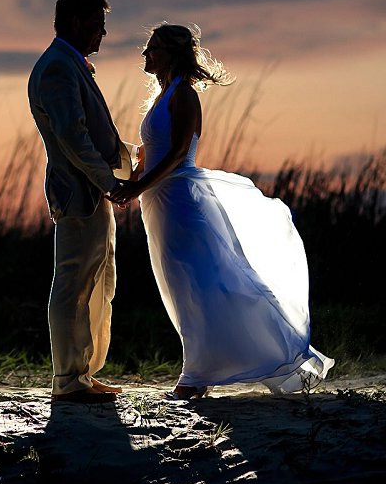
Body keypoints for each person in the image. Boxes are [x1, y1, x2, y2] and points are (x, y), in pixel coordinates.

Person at [109, 23, 334, 399]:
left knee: (197, 284)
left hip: (179, 200)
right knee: (178, 285)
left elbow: (179, 153)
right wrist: (129, 182)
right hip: (158, 204)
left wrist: (138, 186)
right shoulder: (160, 97)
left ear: (171, 53)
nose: (145, 55)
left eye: (152, 48)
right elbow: (149, 153)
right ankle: (203, 370)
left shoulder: (183, 96)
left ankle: (196, 376)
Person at [28, 0, 133, 403]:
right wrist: (110, 182)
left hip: (91, 191)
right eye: (96, 26)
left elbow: (90, 133)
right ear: (74, 22)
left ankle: (82, 375)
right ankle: (68, 379)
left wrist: (129, 161)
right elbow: (73, 135)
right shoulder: (56, 68)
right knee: (73, 283)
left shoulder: (69, 64)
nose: (102, 35)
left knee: (95, 282)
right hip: (79, 193)